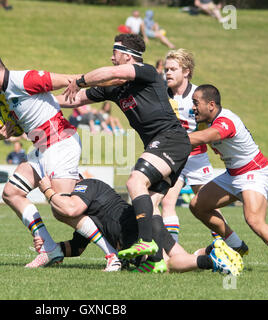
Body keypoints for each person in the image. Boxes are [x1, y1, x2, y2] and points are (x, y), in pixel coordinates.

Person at [0, 49, 118, 269]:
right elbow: (21, 120)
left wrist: (113, 84)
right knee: (11, 193)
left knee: (64, 210)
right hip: (41, 148)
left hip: (60, 144)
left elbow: (70, 80)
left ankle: (112, 255)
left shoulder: (25, 79)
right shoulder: (2, 94)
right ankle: (50, 249)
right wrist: (4, 132)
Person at [62, 33, 192, 260]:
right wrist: (36, 102)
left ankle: (145, 242)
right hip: (165, 145)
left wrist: (80, 79)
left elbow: (111, 73)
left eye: (114, 53)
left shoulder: (147, 71)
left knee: (134, 181)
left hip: (171, 138)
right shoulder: (114, 89)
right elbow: (75, 99)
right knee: (148, 206)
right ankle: (196, 259)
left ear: (127, 55)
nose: (112, 59)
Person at [188, 84, 268, 274]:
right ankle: (236, 245)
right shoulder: (203, 121)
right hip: (233, 174)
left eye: (195, 103)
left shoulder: (226, 121)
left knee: (254, 220)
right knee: (197, 205)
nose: (193, 107)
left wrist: (172, 139)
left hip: (254, 172)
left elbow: (206, 136)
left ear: (211, 105)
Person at [34, 175, 242, 276]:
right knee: (180, 257)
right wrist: (51, 249)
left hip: (132, 230)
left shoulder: (84, 185)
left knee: (166, 267)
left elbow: (71, 209)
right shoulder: (92, 212)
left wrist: (49, 192)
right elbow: (78, 247)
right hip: (147, 221)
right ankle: (214, 249)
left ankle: (213, 261)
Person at [159, 49, 248, 255]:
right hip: (173, 157)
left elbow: (213, 124)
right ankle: (173, 252)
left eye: (173, 69)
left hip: (197, 156)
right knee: (168, 201)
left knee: (206, 204)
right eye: (166, 69)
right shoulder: (162, 95)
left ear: (187, 71)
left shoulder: (198, 95)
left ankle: (233, 244)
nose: (168, 73)